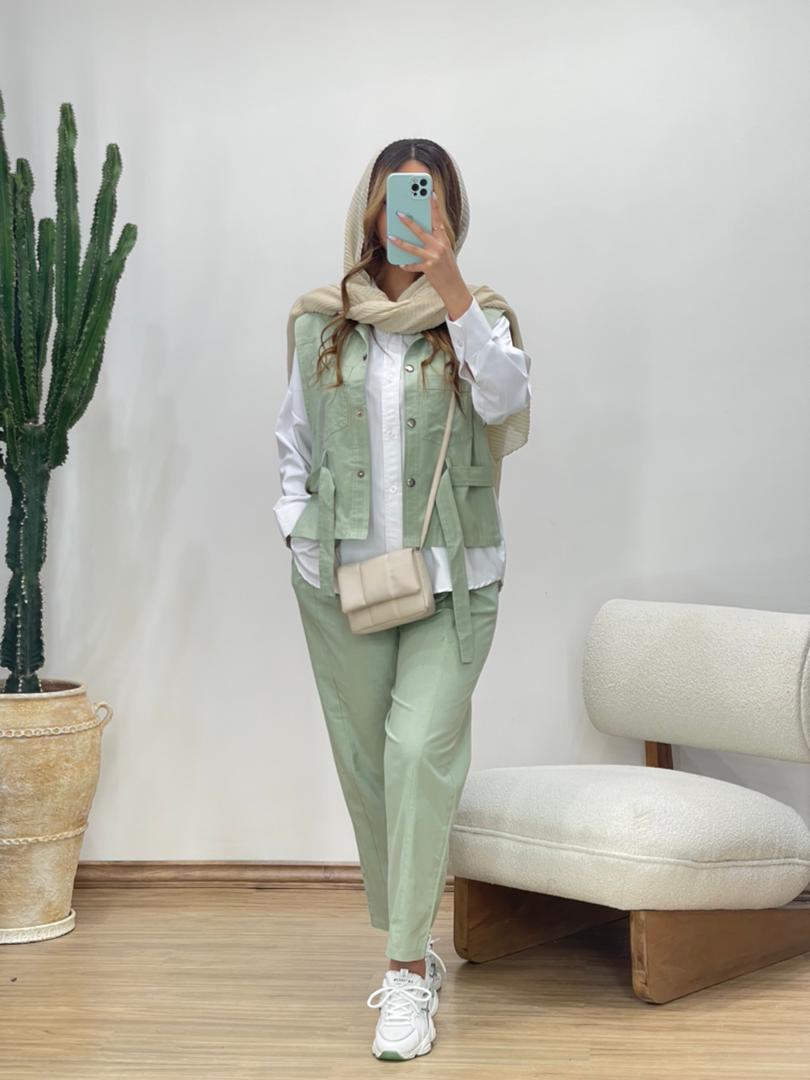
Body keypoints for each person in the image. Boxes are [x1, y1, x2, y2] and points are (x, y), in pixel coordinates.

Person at [273, 138, 532, 1061]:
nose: (409, 218)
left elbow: (505, 402)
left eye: (428, 202)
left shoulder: (478, 317)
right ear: (371, 211)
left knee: (418, 752)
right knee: (367, 766)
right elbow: (294, 440)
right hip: (338, 578)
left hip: (457, 579)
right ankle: (411, 941)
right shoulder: (322, 320)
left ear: (450, 215)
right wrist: (293, 525)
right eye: (395, 201)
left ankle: (406, 979)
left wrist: (451, 287)